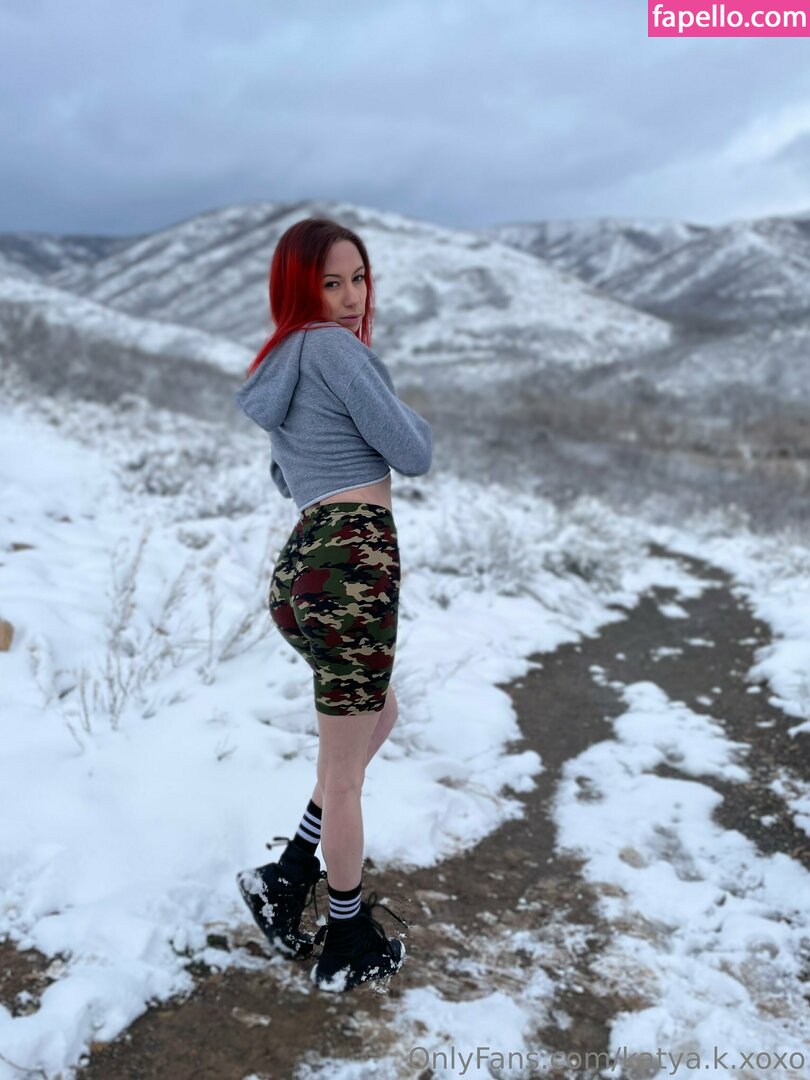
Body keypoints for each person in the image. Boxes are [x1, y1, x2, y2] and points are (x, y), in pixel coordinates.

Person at [232, 217, 432, 992]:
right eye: (331, 283)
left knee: (377, 719)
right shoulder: (337, 351)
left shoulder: (281, 363)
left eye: (359, 279)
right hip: (354, 562)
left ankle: (287, 874)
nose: (351, 298)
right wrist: (401, 415)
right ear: (300, 288)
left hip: (305, 564)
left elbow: (284, 478)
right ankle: (346, 942)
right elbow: (414, 453)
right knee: (344, 775)